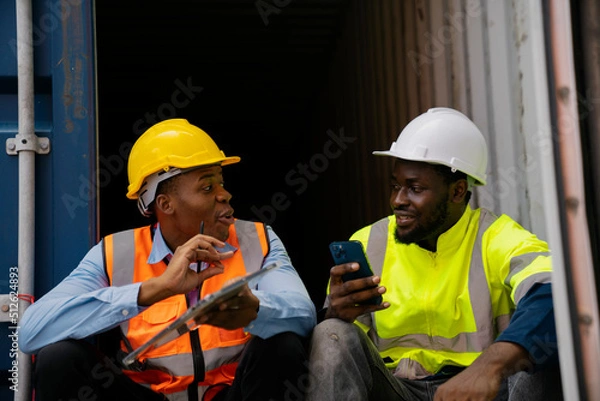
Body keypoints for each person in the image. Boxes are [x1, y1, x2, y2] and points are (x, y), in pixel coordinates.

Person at [19, 118, 317, 401]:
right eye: (208, 186)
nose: (225, 195)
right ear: (166, 204)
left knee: (282, 344)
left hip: (231, 394)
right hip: (149, 397)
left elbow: (303, 314)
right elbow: (31, 331)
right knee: (59, 358)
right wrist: (157, 288)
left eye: (222, 183)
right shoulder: (116, 253)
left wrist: (255, 310)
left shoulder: (257, 240)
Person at [306, 107, 561, 401]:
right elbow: (338, 347)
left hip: (483, 390)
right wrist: (333, 315)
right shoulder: (369, 242)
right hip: (397, 389)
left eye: (414, 188)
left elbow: (556, 292)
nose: (397, 200)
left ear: (457, 191)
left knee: (545, 344)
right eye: (395, 186)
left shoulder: (496, 237)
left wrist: (489, 367)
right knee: (330, 333)